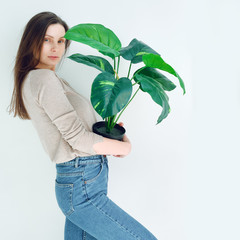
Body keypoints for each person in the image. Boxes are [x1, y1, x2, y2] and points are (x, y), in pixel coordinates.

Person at [8, 11, 158, 240]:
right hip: (82, 184)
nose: (55, 47)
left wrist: (110, 138)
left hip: (80, 182)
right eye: (47, 40)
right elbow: (77, 139)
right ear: (32, 41)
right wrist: (124, 148)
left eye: (60, 41)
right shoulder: (44, 79)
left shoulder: (40, 79)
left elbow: (76, 129)